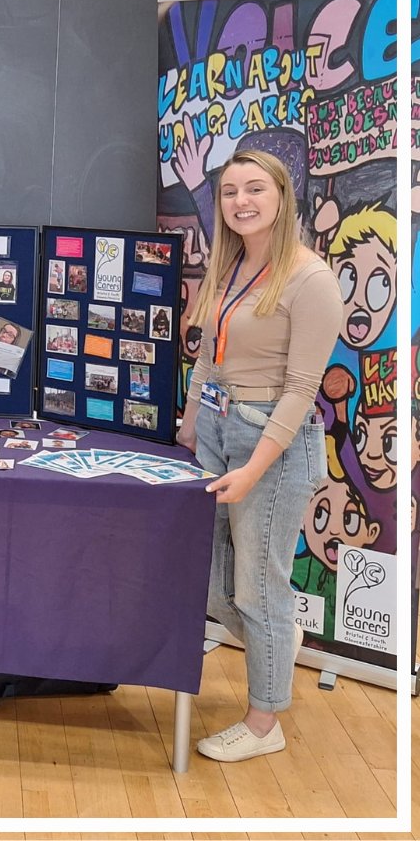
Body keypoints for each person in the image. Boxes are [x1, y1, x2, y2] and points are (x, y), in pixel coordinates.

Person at [176, 149, 342, 762]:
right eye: (229, 191)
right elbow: (208, 358)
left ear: (281, 197)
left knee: (258, 591)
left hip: (268, 441)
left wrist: (252, 467)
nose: (241, 201)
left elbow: (302, 390)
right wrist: (193, 423)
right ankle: (280, 642)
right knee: (217, 587)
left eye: (255, 189)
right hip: (219, 429)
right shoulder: (230, 265)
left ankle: (264, 723)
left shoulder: (309, 279)